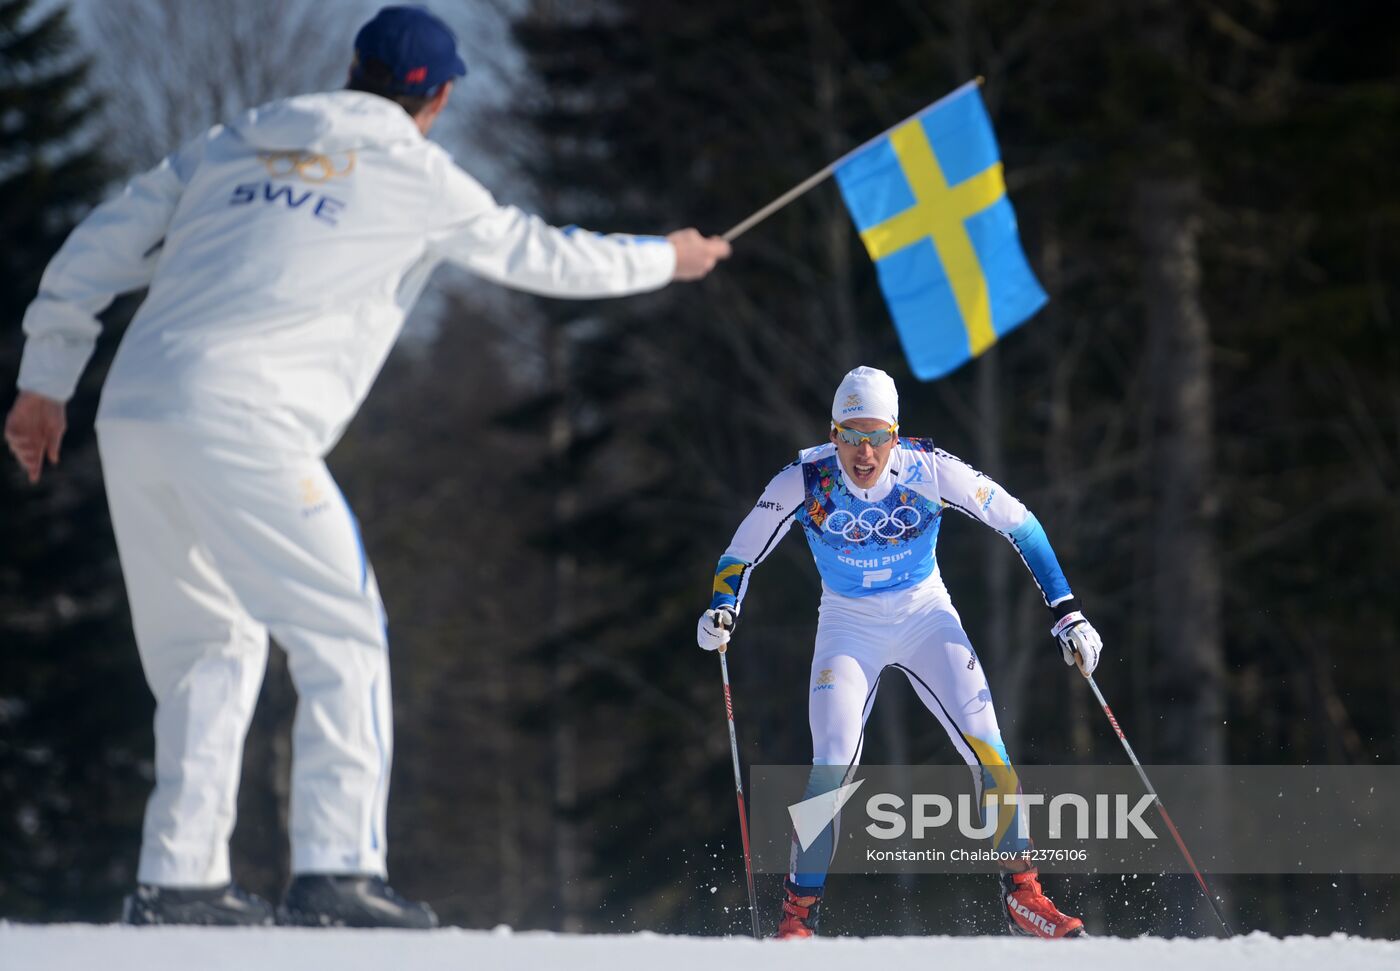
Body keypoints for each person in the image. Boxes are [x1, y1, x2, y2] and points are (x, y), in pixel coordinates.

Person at [4, 5, 730, 929]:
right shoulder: (415, 174)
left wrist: (45, 379)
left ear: (355, 72)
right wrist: (665, 257)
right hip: (246, 418)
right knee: (340, 629)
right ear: (439, 98)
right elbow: (545, 255)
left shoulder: (238, 141)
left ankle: (179, 880)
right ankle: (338, 871)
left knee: (206, 649)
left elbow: (97, 242)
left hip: (138, 410)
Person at [696, 365, 1103, 939]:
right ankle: (795, 921)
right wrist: (722, 607)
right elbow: (740, 551)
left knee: (991, 753)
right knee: (830, 767)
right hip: (847, 625)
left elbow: (1022, 524)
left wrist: (1068, 611)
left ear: (896, 433)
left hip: (923, 614)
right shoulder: (805, 477)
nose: (865, 453)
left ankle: (1025, 897)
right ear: (832, 433)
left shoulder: (928, 468)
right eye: (852, 437)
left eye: (878, 436)